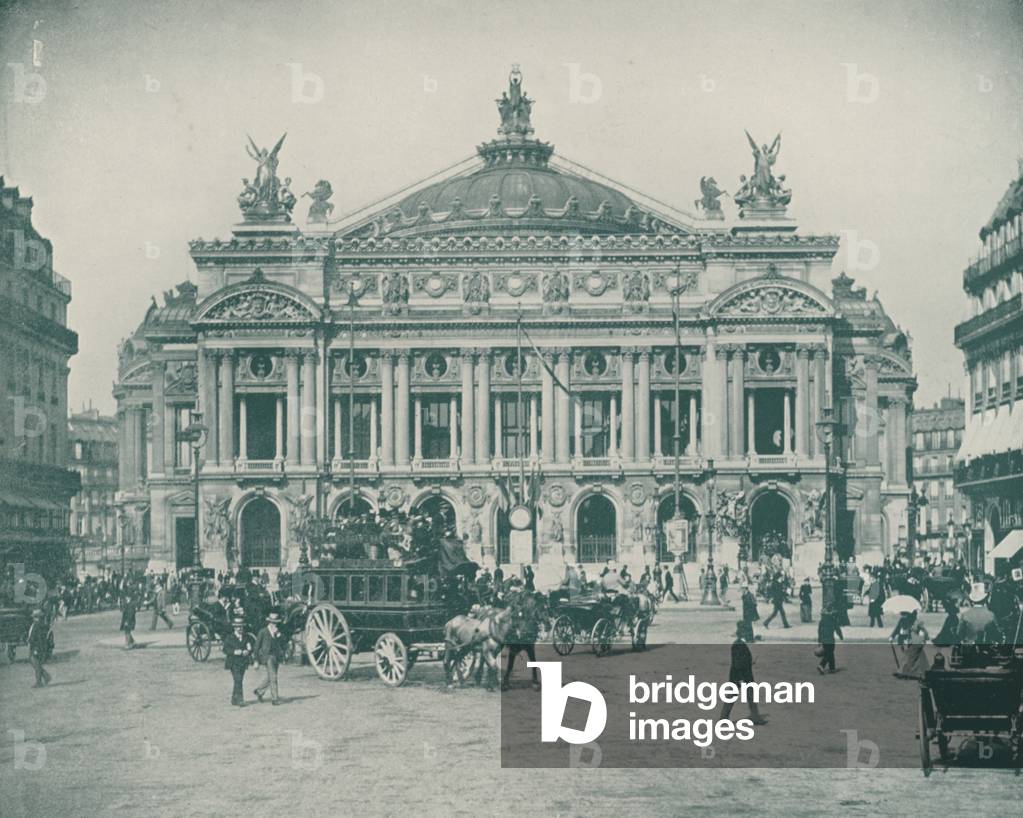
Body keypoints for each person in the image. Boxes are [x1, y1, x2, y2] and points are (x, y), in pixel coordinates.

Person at [718, 621, 768, 724]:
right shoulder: (738, 644)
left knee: (748, 697)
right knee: (733, 697)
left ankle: (755, 717)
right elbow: (737, 663)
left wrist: (750, 662)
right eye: (747, 631)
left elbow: (741, 661)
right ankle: (724, 719)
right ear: (742, 632)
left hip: (742, 676)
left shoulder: (740, 643)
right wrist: (740, 679)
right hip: (740, 677)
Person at [254, 612, 285, 705]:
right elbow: (256, 646)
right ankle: (275, 699)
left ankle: (259, 691)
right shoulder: (263, 631)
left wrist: (279, 635)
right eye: (272, 622)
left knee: (270, 677)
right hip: (267, 657)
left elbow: (283, 643)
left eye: (276, 622)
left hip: (276, 656)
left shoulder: (278, 632)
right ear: (269, 622)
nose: (274, 624)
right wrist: (256, 660)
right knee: (274, 677)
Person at [223, 617, 253, 707]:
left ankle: (234, 699)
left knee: (238, 680)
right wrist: (236, 652)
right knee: (238, 680)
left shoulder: (246, 637)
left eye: (241, 627)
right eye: (237, 627)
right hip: (233, 662)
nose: (239, 629)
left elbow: (250, 647)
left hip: (243, 662)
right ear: (234, 628)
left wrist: (248, 651)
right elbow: (225, 650)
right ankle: (240, 700)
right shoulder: (230, 637)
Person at [891, 610, 929, 679]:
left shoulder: (916, 622)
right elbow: (898, 628)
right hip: (912, 642)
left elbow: (922, 633)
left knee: (910, 658)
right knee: (916, 658)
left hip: (915, 642)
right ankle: (911, 672)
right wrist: (893, 636)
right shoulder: (904, 619)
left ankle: (905, 672)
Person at [27, 609, 52, 688]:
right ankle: (46, 676)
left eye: (35, 616)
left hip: (36, 647)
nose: (34, 618)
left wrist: (36, 649)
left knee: (35, 663)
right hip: (35, 646)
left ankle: (39, 681)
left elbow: (39, 638)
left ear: (37, 617)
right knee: (35, 663)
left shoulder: (38, 625)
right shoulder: (38, 624)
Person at [816, 607, 843, 674]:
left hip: (823, 640)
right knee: (829, 653)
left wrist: (819, 641)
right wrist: (840, 636)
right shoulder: (832, 620)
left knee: (830, 653)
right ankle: (821, 665)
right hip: (830, 640)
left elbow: (819, 631)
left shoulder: (822, 621)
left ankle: (832, 668)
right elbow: (837, 629)